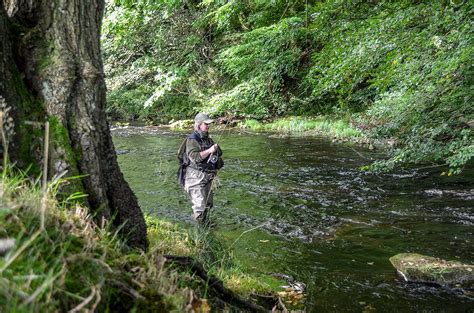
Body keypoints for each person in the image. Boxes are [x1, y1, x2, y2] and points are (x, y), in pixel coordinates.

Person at [184, 113, 223, 225]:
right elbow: (195, 158)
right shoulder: (192, 140)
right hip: (195, 177)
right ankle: (198, 234)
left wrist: (215, 150)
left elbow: (217, 154)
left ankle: (207, 228)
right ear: (199, 124)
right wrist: (209, 151)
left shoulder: (207, 139)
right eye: (206, 124)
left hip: (208, 176)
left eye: (208, 124)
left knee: (208, 205)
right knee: (200, 208)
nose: (208, 126)